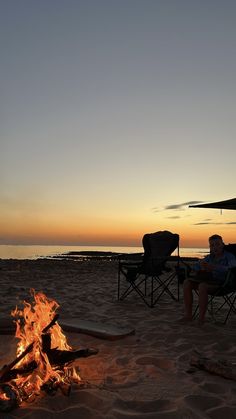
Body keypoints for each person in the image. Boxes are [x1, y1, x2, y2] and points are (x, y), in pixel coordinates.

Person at [183, 234, 236, 325]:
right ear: (210, 247)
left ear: (222, 244)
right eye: (212, 245)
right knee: (187, 282)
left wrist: (215, 267)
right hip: (209, 280)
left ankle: (201, 319)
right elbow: (196, 266)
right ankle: (188, 316)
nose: (215, 247)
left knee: (202, 286)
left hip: (223, 284)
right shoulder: (209, 257)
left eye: (217, 244)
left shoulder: (229, 256)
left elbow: (233, 268)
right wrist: (201, 267)